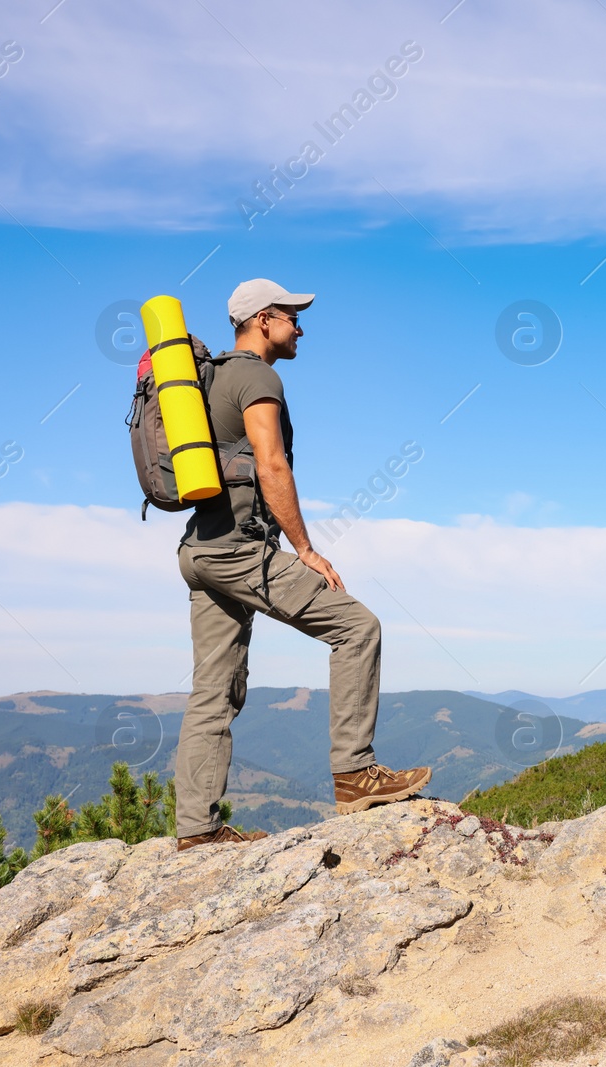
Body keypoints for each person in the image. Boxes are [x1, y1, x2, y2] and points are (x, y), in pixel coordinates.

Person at [172, 278, 430, 851]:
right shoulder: (259, 376)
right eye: (292, 316)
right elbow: (272, 466)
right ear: (263, 319)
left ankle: (196, 831)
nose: (301, 327)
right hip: (241, 550)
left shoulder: (207, 378)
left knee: (213, 690)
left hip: (200, 552)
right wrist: (305, 549)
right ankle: (355, 772)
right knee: (358, 628)